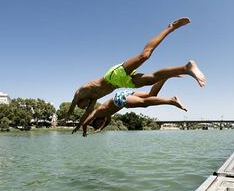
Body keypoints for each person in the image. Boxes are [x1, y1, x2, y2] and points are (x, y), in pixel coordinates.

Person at [64, 17, 206, 133]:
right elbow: (85, 117)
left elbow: (76, 97)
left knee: (145, 55)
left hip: (113, 76)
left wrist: (68, 115)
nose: (84, 107)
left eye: (81, 106)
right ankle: (185, 68)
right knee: (151, 81)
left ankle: (171, 27)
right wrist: (78, 127)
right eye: (84, 107)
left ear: (81, 101)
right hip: (121, 84)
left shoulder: (85, 90)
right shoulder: (93, 101)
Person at [80, 78, 186, 137]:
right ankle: (165, 76)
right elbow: (106, 122)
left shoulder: (97, 113)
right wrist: (100, 129)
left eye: (97, 123)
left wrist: (85, 132)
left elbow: (85, 123)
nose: (100, 123)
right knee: (151, 95)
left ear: (96, 120)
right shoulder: (107, 116)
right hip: (122, 95)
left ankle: (171, 100)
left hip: (119, 99)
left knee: (144, 103)